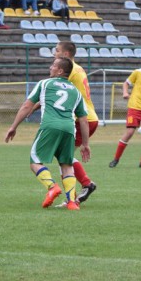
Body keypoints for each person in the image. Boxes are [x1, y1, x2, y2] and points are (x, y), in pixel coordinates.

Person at [5, 57, 91, 210]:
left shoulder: (45, 83)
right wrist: (85, 144)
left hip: (50, 126)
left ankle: (52, 187)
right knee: (66, 164)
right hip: (69, 129)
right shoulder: (75, 92)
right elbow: (84, 120)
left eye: (53, 65)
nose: (50, 67)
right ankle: (71, 202)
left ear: (60, 71)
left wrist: (14, 126)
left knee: (35, 161)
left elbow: (27, 105)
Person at [55, 41, 100, 203]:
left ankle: (74, 196)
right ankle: (84, 186)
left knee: (64, 158)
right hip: (88, 118)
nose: (54, 53)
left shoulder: (69, 72)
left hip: (81, 120)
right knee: (63, 156)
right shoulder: (78, 68)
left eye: (57, 50)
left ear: (65, 54)